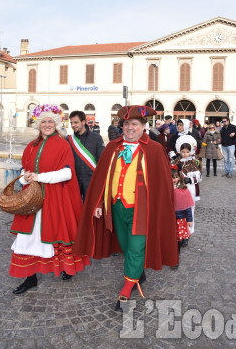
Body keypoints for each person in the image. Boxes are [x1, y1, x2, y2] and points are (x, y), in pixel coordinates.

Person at [73, 105, 178, 311]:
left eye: (135, 124)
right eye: (127, 124)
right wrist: (98, 203)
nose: (130, 128)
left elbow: (163, 186)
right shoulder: (113, 147)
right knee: (126, 245)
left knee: (136, 247)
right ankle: (138, 272)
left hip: (142, 211)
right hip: (116, 207)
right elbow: (101, 178)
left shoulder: (155, 149)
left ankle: (126, 288)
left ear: (143, 126)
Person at [8, 104, 90, 295]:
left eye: (50, 121)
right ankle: (30, 278)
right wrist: (24, 176)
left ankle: (66, 269)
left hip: (54, 199)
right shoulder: (31, 146)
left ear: (57, 124)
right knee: (27, 239)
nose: (46, 124)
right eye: (43, 121)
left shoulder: (63, 145)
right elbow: (24, 169)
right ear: (38, 124)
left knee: (56, 236)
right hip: (31, 201)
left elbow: (67, 173)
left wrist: (39, 177)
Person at [67, 110, 105, 202]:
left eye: (76, 122)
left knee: (90, 210)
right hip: (74, 181)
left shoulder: (96, 138)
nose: (73, 125)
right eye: (71, 123)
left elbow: (102, 161)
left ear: (83, 122)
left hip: (91, 181)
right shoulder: (68, 140)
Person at [171, 141, 201, 239]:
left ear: (190, 152)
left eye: (187, 152)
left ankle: (188, 231)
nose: (185, 154)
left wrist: (190, 179)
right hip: (177, 189)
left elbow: (199, 176)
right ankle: (178, 230)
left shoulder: (193, 162)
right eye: (183, 152)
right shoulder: (176, 161)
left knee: (189, 209)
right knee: (178, 210)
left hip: (189, 188)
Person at [171, 165, 193, 268]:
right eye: (171, 177)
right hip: (169, 219)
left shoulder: (183, 190)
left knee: (177, 240)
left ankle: (175, 258)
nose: (174, 179)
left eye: (175, 177)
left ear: (179, 177)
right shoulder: (166, 189)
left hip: (179, 219)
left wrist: (189, 220)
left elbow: (187, 206)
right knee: (170, 239)